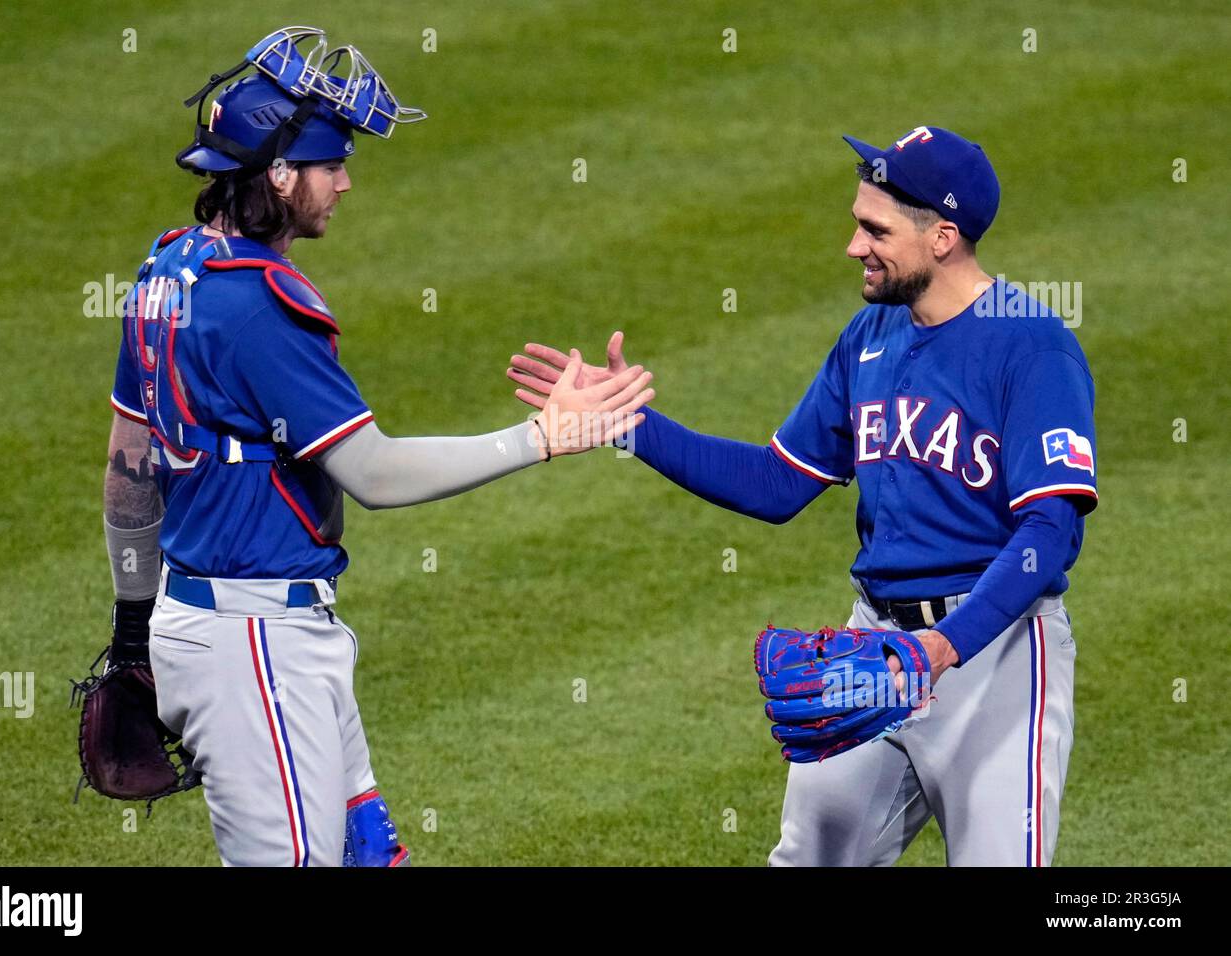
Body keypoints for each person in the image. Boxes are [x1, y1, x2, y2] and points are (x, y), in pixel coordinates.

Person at [102, 26, 652, 867]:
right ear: (279, 175)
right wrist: (544, 436)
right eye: (331, 164)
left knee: (369, 856)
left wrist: (134, 630)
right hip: (253, 647)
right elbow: (375, 473)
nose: (346, 184)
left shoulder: (166, 271)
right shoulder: (256, 309)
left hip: (236, 624)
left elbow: (127, 468)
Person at [509, 126, 1097, 867]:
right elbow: (777, 481)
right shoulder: (870, 335)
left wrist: (942, 646)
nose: (854, 245)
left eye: (874, 229)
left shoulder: (1032, 345)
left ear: (944, 236)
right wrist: (628, 426)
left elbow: (1052, 529)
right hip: (873, 648)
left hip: (995, 657)